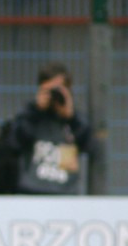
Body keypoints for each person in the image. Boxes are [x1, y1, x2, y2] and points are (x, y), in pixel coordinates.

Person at [8, 62, 93, 194]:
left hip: (65, 194)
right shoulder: (30, 115)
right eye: (49, 91)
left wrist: (71, 118)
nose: (54, 96)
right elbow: (15, 143)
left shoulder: (75, 120)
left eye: (58, 90)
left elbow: (89, 146)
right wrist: (36, 110)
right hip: (31, 192)